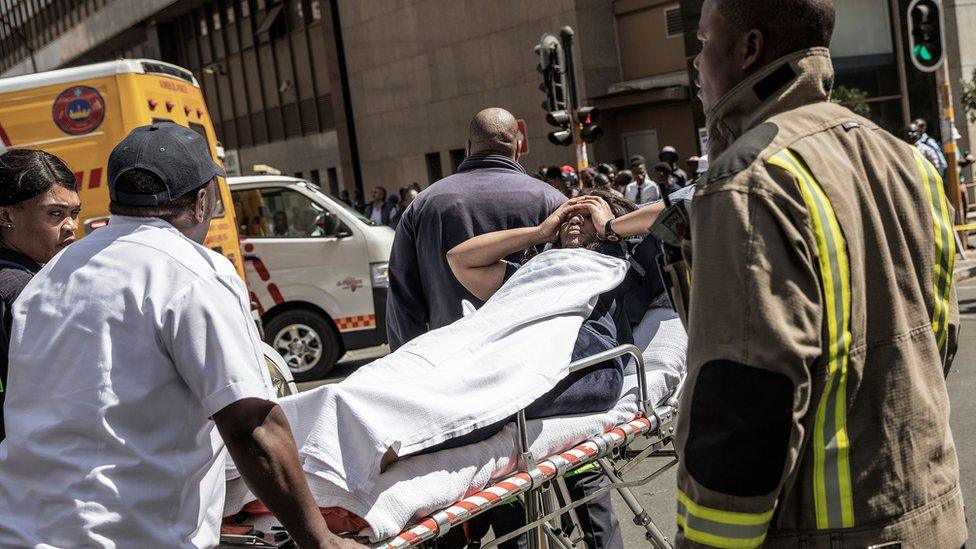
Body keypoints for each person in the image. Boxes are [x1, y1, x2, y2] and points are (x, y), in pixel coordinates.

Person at [590, 1, 964, 546]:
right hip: (931, 513)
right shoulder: (909, 162)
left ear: (748, 50)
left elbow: (743, 415)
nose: (695, 63)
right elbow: (939, 341)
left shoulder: (746, 182)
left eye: (703, 41)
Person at [0, 123, 360, 548]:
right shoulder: (191, 272)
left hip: (22, 529)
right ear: (202, 201)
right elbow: (250, 426)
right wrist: (320, 540)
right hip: (130, 536)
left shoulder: (52, 275)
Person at [447, 190, 647, 549]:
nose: (574, 219)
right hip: (524, 356)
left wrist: (611, 229)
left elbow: (664, 221)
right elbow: (460, 259)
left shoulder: (622, 261)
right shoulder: (536, 269)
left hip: (586, 359)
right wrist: (540, 231)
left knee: (589, 499)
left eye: (586, 215)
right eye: (569, 213)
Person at [387, 108, 565, 349]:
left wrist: (409, 368)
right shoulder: (552, 201)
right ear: (517, 149)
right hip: (534, 354)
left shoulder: (423, 205)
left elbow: (403, 300)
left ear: (468, 147)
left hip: (449, 358)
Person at [0, 149, 80, 443]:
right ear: (6, 215)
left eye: (74, 213)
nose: (70, 226)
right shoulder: (25, 293)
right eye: (55, 213)